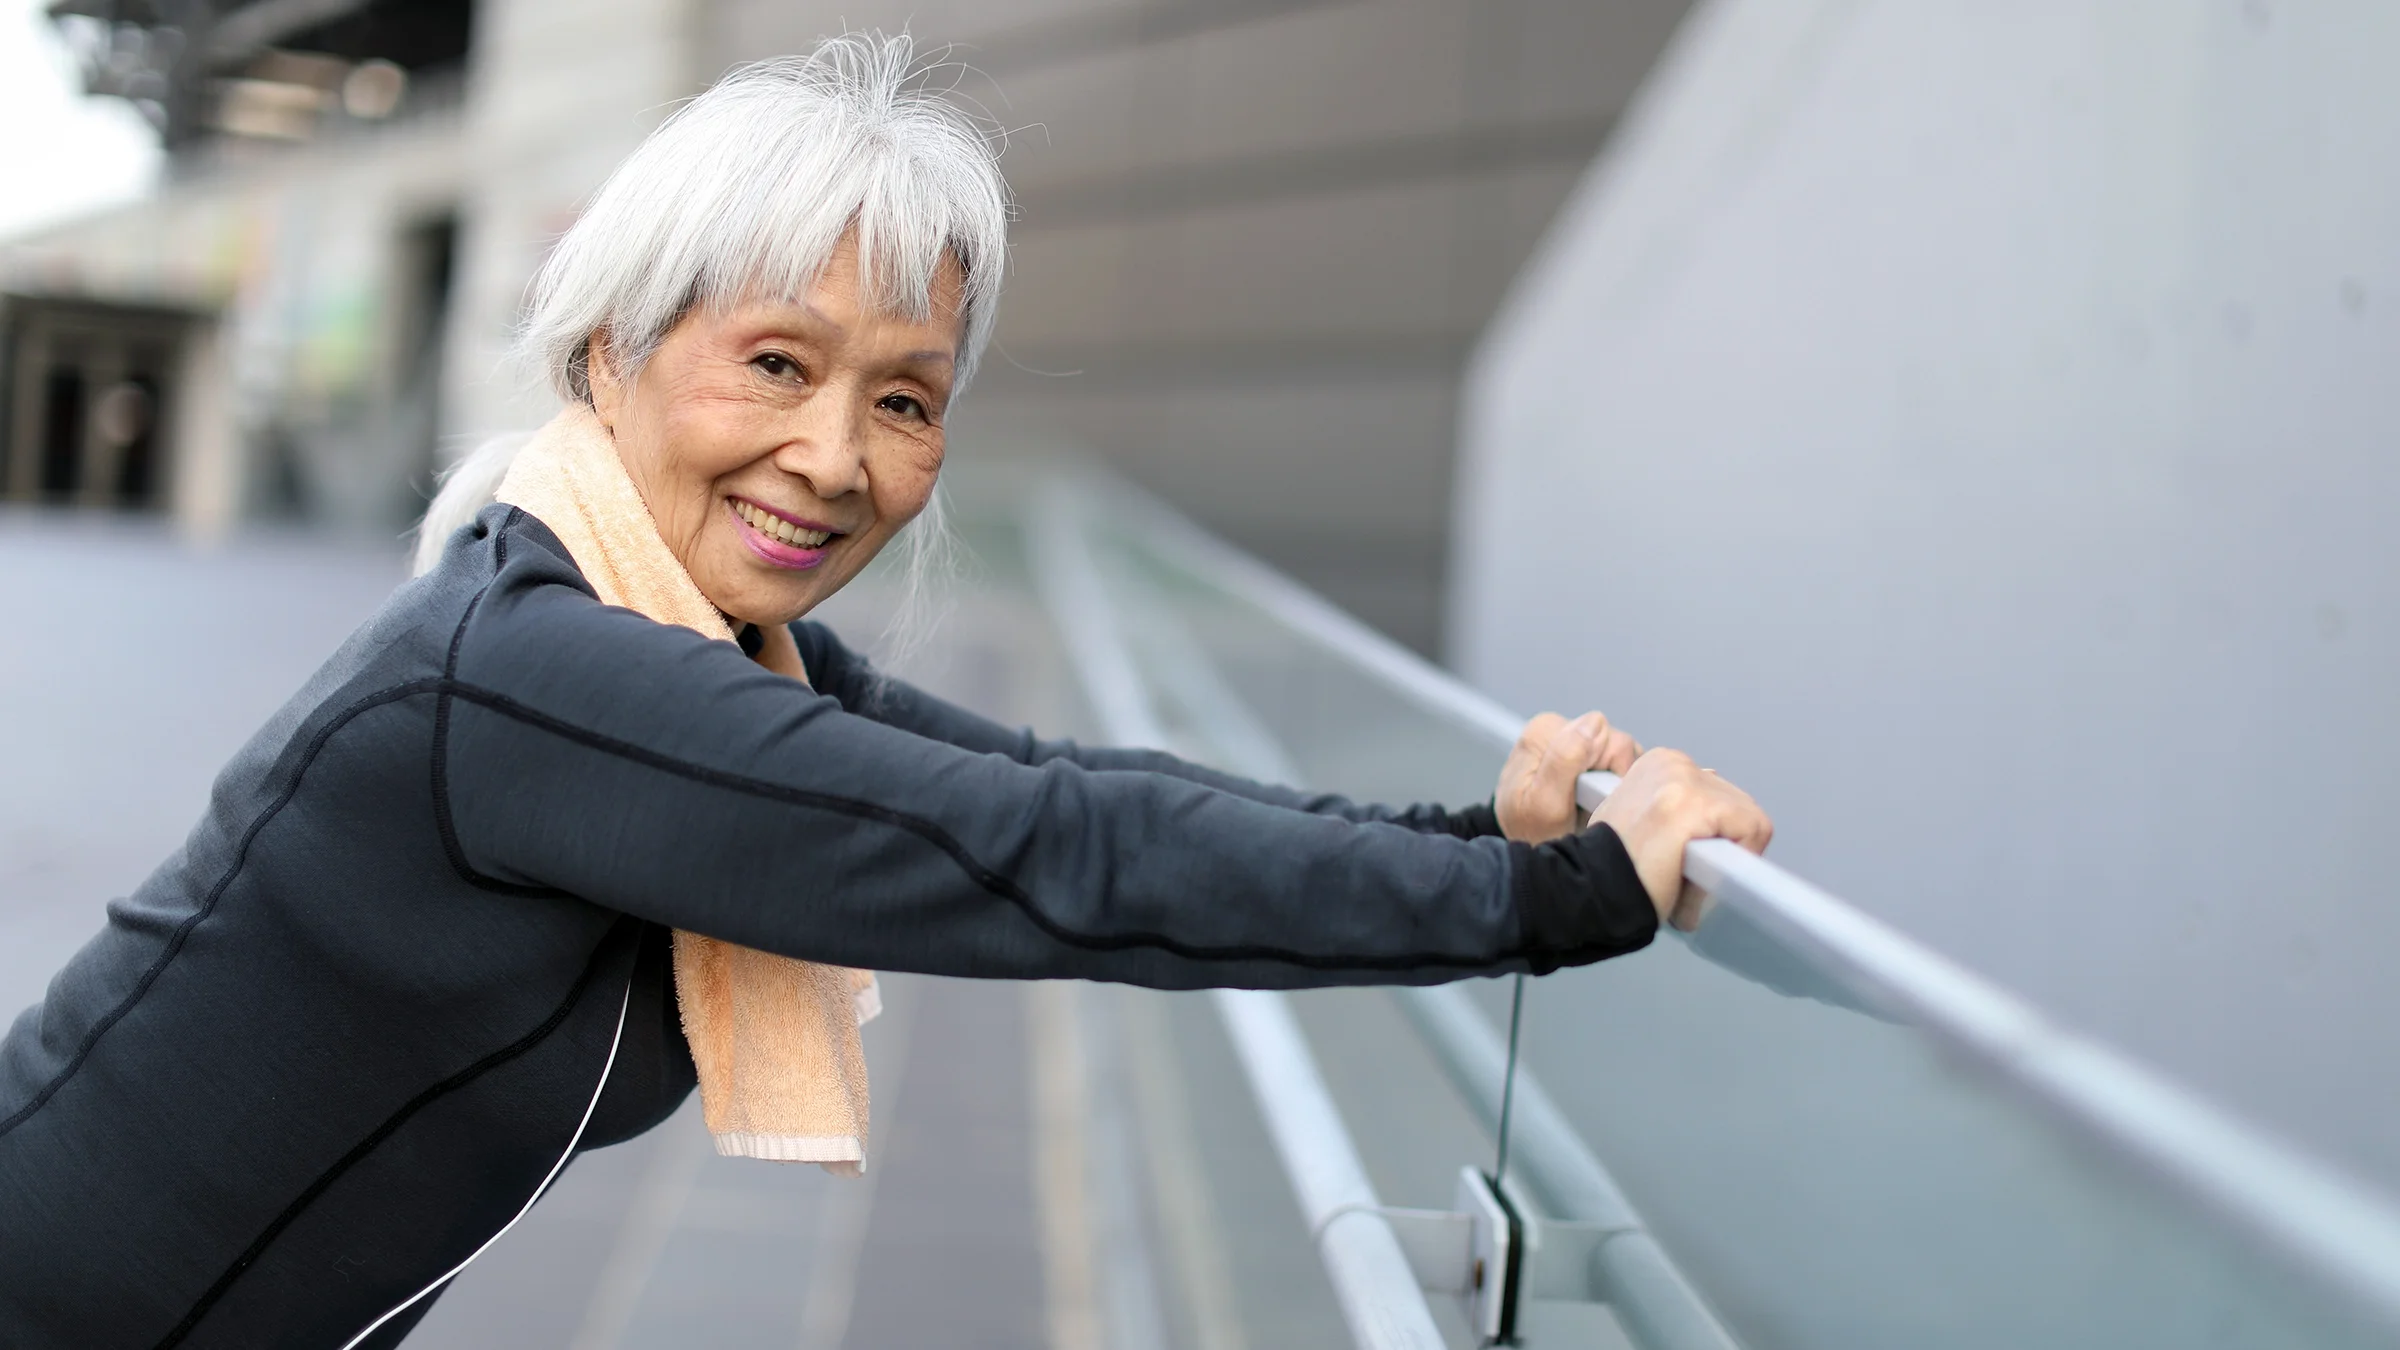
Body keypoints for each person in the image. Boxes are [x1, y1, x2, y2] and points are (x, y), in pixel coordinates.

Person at [0, 34, 1770, 1350]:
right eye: (774, 361)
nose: (834, 456)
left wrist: (1478, 835)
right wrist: (1556, 900)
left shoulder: (688, 652)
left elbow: (1062, 787)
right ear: (608, 347)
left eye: (907, 399)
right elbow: (1055, 856)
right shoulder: (539, 678)